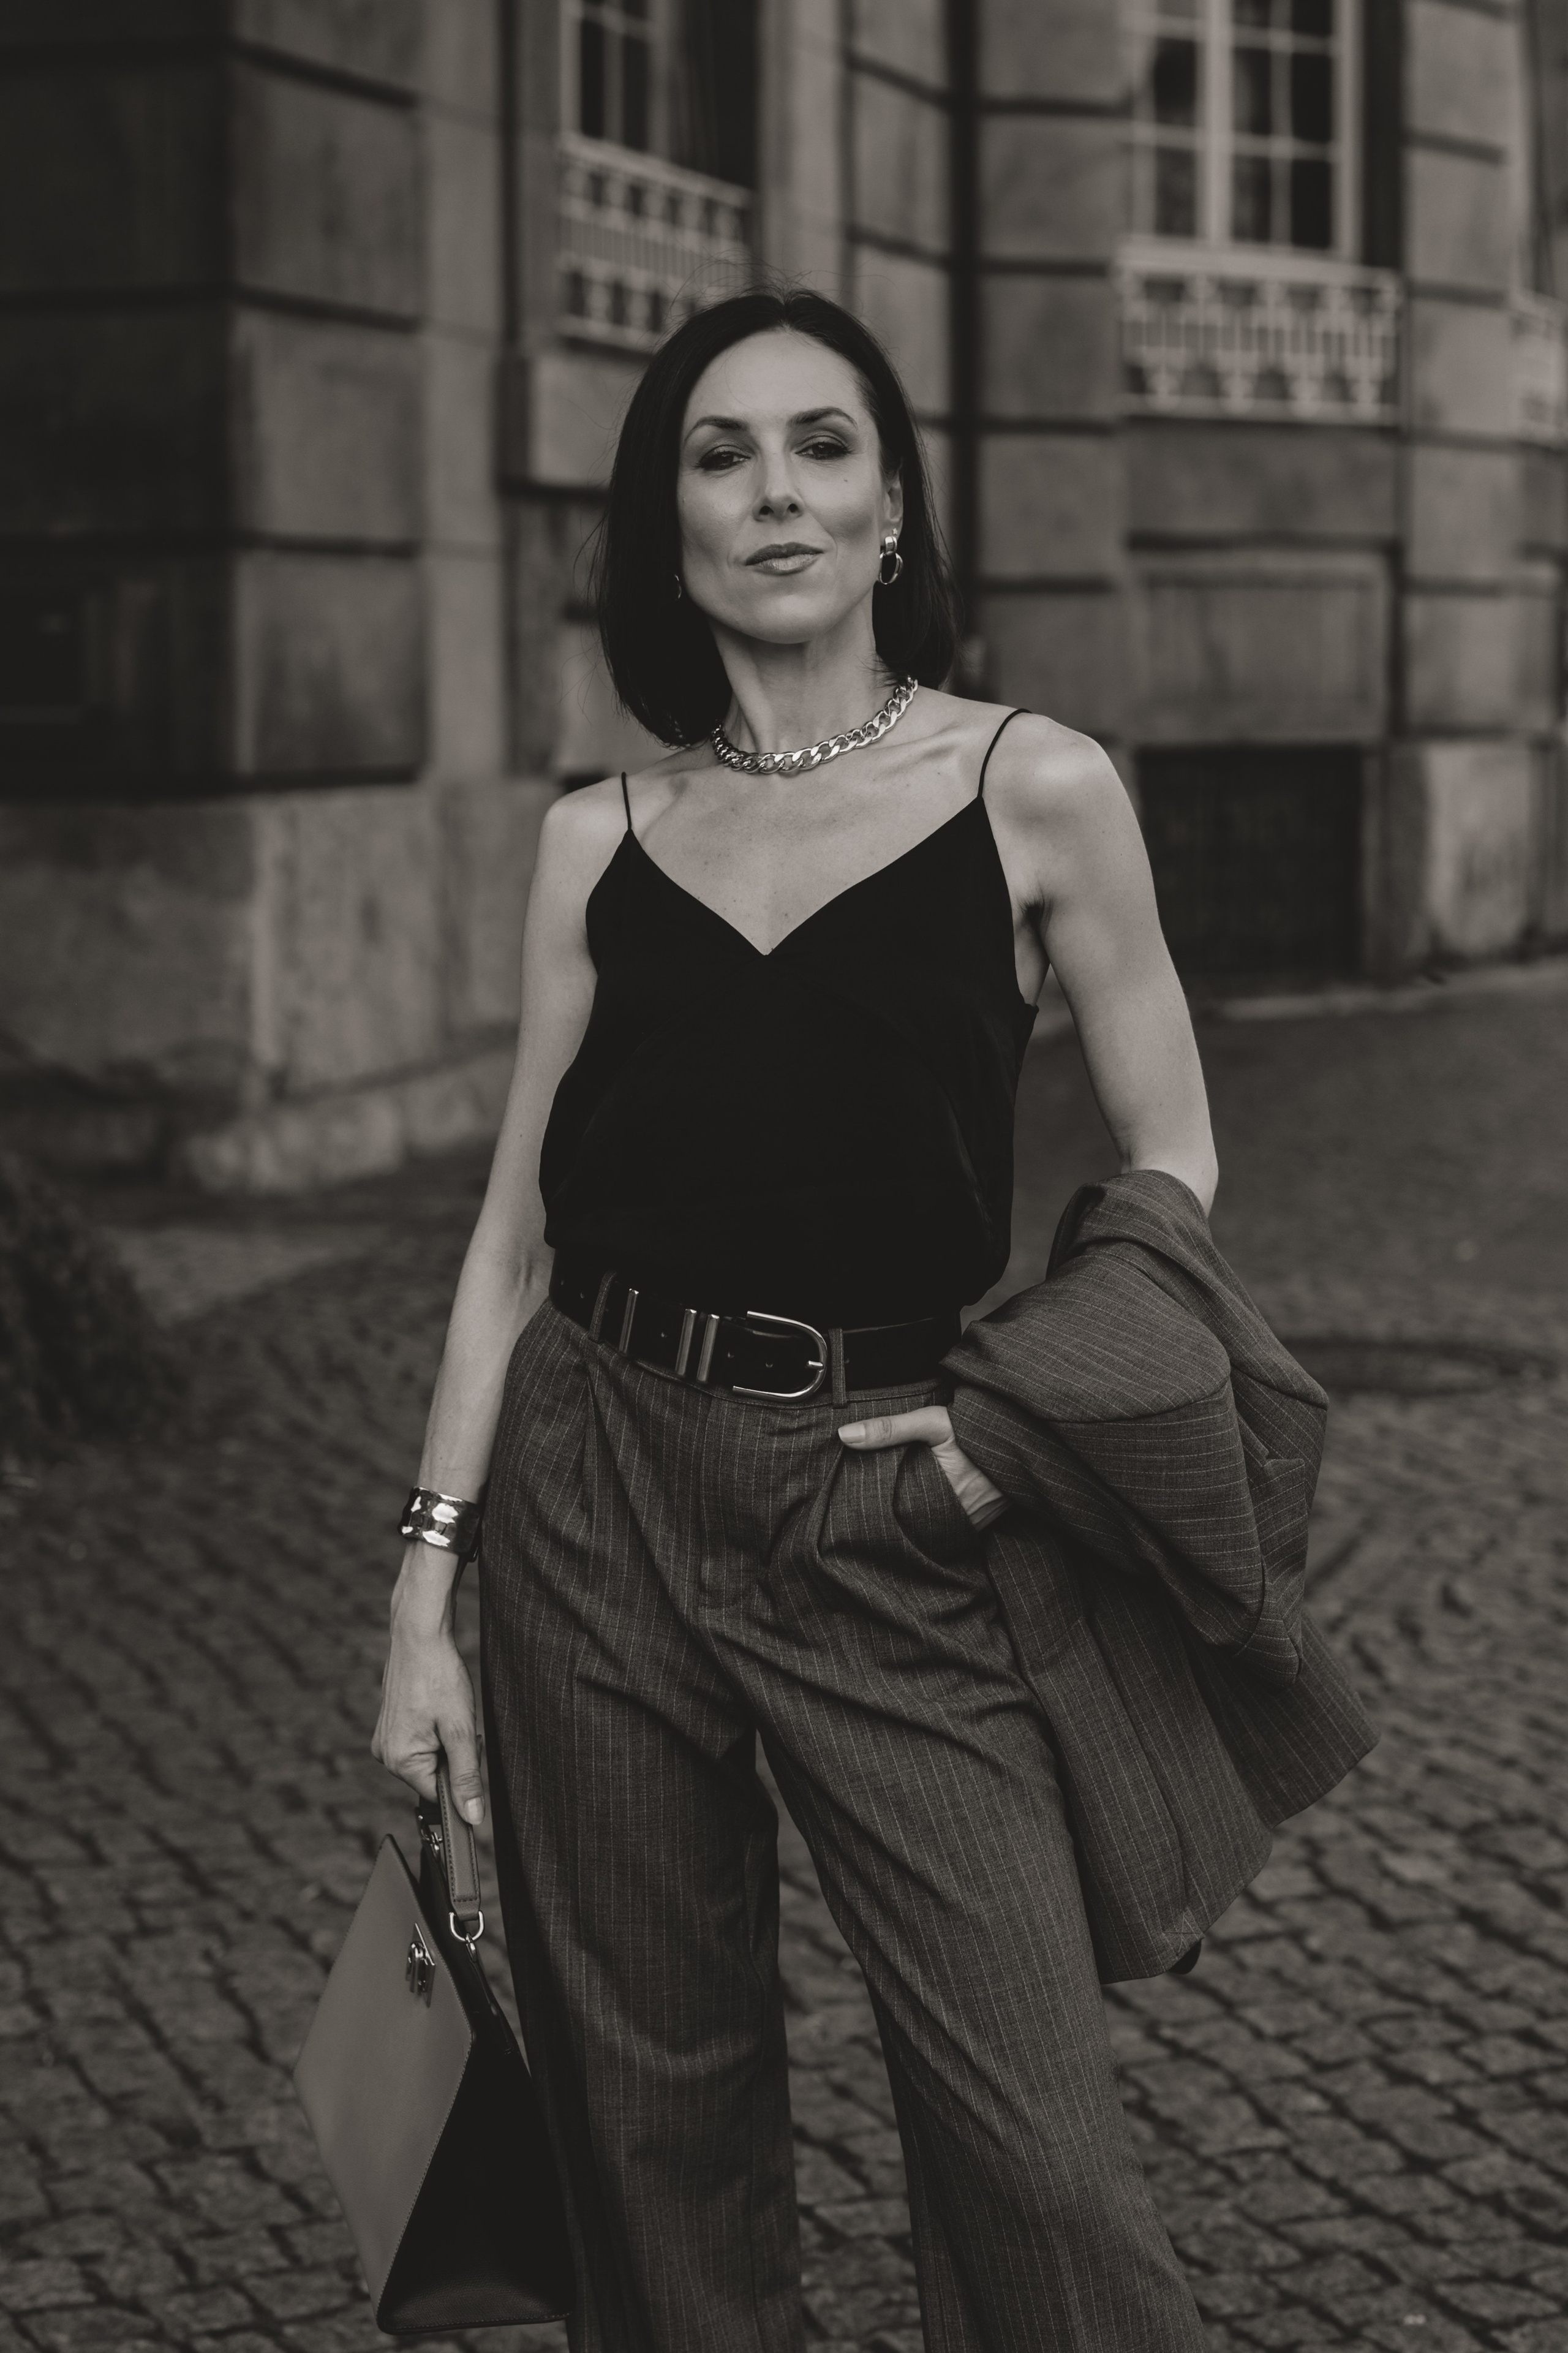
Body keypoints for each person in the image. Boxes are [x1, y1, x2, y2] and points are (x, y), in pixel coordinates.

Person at [372, 288, 1216, 2352]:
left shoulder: (1035, 788)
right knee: (653, 2120)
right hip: (599, 1498)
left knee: (1037, 2147)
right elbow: (509, 1249)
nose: (776, 492)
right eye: (723, 454)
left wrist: (1013, 1428)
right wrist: (421, 1604)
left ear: (895, 505)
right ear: (670, 527)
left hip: (892, 1499)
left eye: (822, 445)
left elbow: (1175, 1158)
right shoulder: (601, 838)